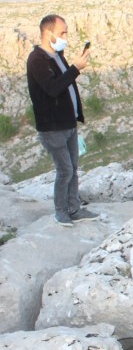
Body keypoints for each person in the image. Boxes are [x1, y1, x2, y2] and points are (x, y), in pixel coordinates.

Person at [26, 14, 98, 227]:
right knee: (65, 169)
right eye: (62, 32)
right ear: (48, 33)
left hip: (68, 124)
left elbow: (65, 83)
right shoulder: (37, 60)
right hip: (52, 128)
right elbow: (52, 88)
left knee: (73, 168)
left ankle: (74, 209)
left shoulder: (57, 55)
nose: (65, 36)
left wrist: (72, 66)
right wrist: (75, 68)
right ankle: (61, 212)